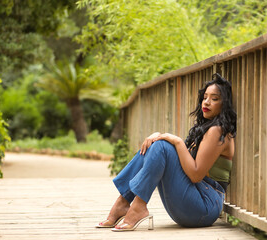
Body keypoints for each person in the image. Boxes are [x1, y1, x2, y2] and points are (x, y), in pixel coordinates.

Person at [96, 73, 237, 231]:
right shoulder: (207, 129)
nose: (207, 102)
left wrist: (175, 141)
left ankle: (138, 207)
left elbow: (196, 175)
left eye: (215, 98)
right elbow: (180, 161)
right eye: (205, 97)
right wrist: (159, 136)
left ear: (224, 104)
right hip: (192, 203)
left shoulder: (218, 131)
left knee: (162, 146)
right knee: (156, 144)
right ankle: (123, 203)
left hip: (205, 206)